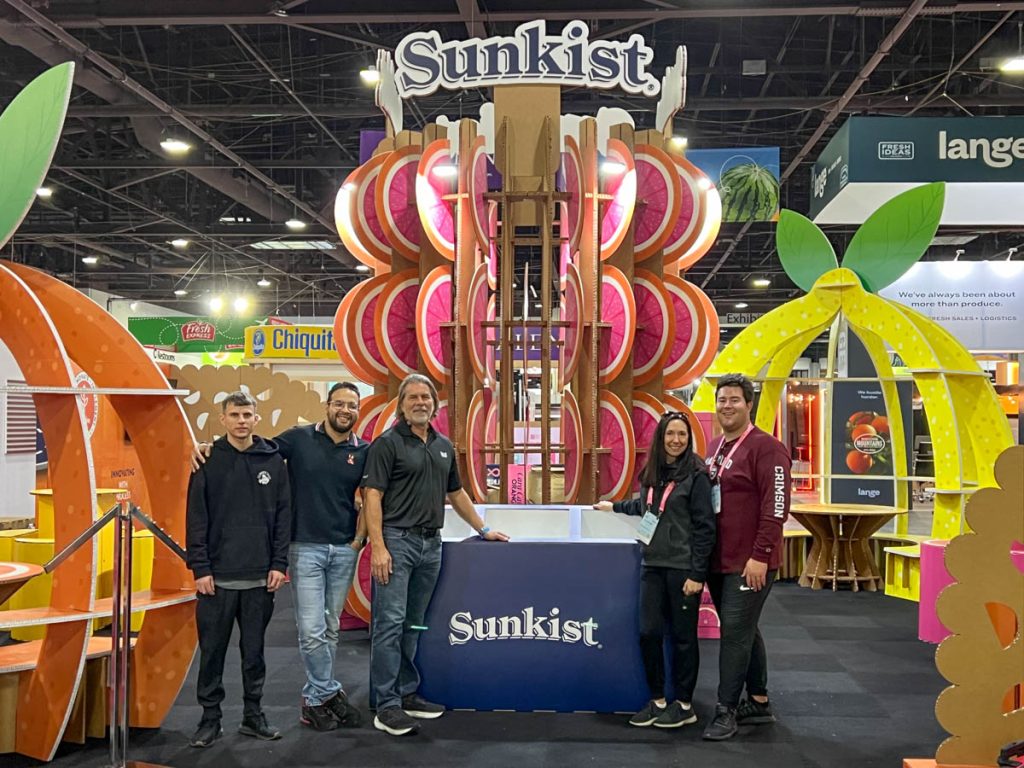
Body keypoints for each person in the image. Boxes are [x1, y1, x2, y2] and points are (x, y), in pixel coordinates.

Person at [192, 382, 367, 732]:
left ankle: (313, 699)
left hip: (329, 553)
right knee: (310, 631)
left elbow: (371, 496)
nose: (344, 410)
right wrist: (202, 447)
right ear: (327, 405)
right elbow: (199, 511)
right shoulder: (294, 440)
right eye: (338, 403)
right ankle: (321, 694)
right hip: (297, 551)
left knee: (327, 629)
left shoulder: (363, 450)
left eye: (352, 405)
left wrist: (358, 540)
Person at [362, 374, 510, 737]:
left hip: (431, 545)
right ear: (401, 404)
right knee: (389, 623)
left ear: (434, 403)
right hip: (396, 542)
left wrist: (482, 528)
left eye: (425, 397)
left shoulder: (444, 445)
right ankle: (386, 704)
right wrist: (378, 546)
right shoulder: (386, 444)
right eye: (412, 397)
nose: (420, 402)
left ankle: (406, 692)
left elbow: (456, 493)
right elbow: (372, 496)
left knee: (414, 623)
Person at [595, 411, 715, 729]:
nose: (676, 440)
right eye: (670, 434)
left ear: (688, 439)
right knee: (648, 632)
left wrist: (697, 574)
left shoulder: (697, 475)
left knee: (683, 638)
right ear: (660, 438)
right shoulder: (652, 473)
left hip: (682, 568)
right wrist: (614, 506)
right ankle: (658, 700)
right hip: (652, 565)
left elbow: (706, 527)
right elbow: (646, 508)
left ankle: (685, 704)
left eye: (682, 435)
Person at [186, 391, 290, 748]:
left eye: (247, 414)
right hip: (216, 580)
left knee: (255, 654)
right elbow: (196, 518)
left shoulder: (273, 461)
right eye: (235, 415)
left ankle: (253, 716)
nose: (242, 420)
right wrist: (200, 567)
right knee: (212, 653)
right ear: (223, 419)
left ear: (256, 418)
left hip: (260, 578)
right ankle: (209, 719)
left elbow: (283, 516)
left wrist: (279, 563)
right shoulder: (207, 460)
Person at [701, 374, 791, 742]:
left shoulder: (767, 448)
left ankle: (726, 710)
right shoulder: (715, 446)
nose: (726, 405)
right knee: (745, 629)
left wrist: (761, 555)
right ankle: (758, 699)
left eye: (734, 399)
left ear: (748, 404)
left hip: (750, 561)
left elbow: (777, 506)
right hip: (719, 559)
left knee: (735, 634)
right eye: (722, 399)